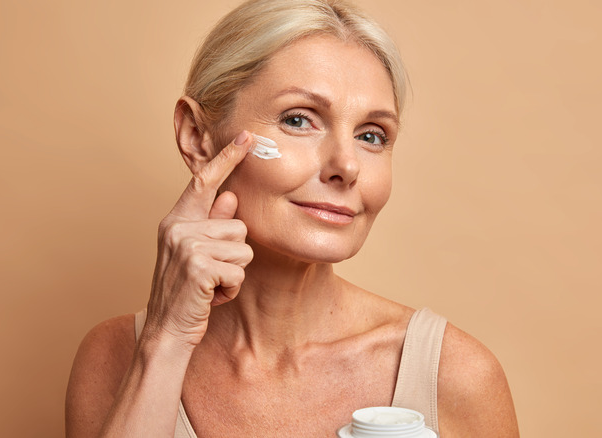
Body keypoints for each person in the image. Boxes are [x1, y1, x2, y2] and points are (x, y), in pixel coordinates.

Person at [65, 0, 519, 436]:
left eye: (371, 135)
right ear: (198, 136)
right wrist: (166, 339)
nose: (347, 165)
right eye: (299, 120)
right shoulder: (113, 357)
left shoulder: (456, 377)